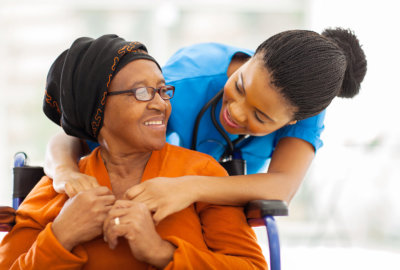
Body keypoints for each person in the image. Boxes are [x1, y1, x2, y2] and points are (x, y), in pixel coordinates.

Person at [45, 28, 367, 223]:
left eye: (261, 117)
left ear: (293, 120)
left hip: (206, 223)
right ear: (252, 58)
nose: (237, 114)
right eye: (239, 87)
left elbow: (282, 188)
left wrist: (188, 187)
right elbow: (70, 135)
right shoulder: (182, 83)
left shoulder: (304, 106)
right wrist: (65, 173)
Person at [0, 35, 266, 269]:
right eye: (141, 92)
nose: (160, 104)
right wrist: (61, 236)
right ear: (97, 108)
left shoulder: (202, 173)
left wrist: (160, 252)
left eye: (163, 90)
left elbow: (251, 267)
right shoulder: (56, 189)